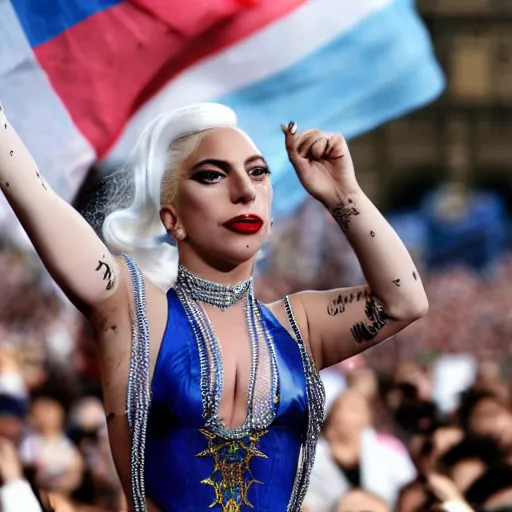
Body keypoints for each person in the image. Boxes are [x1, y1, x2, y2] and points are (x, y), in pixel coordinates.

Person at [0, 101, 428, 511]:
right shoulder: (134, 311)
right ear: (173, 219)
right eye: (211, 176)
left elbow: (404, 301)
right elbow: (35, 195)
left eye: (258, 173)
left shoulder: (300, 327)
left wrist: (342, 193)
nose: (244, 191)